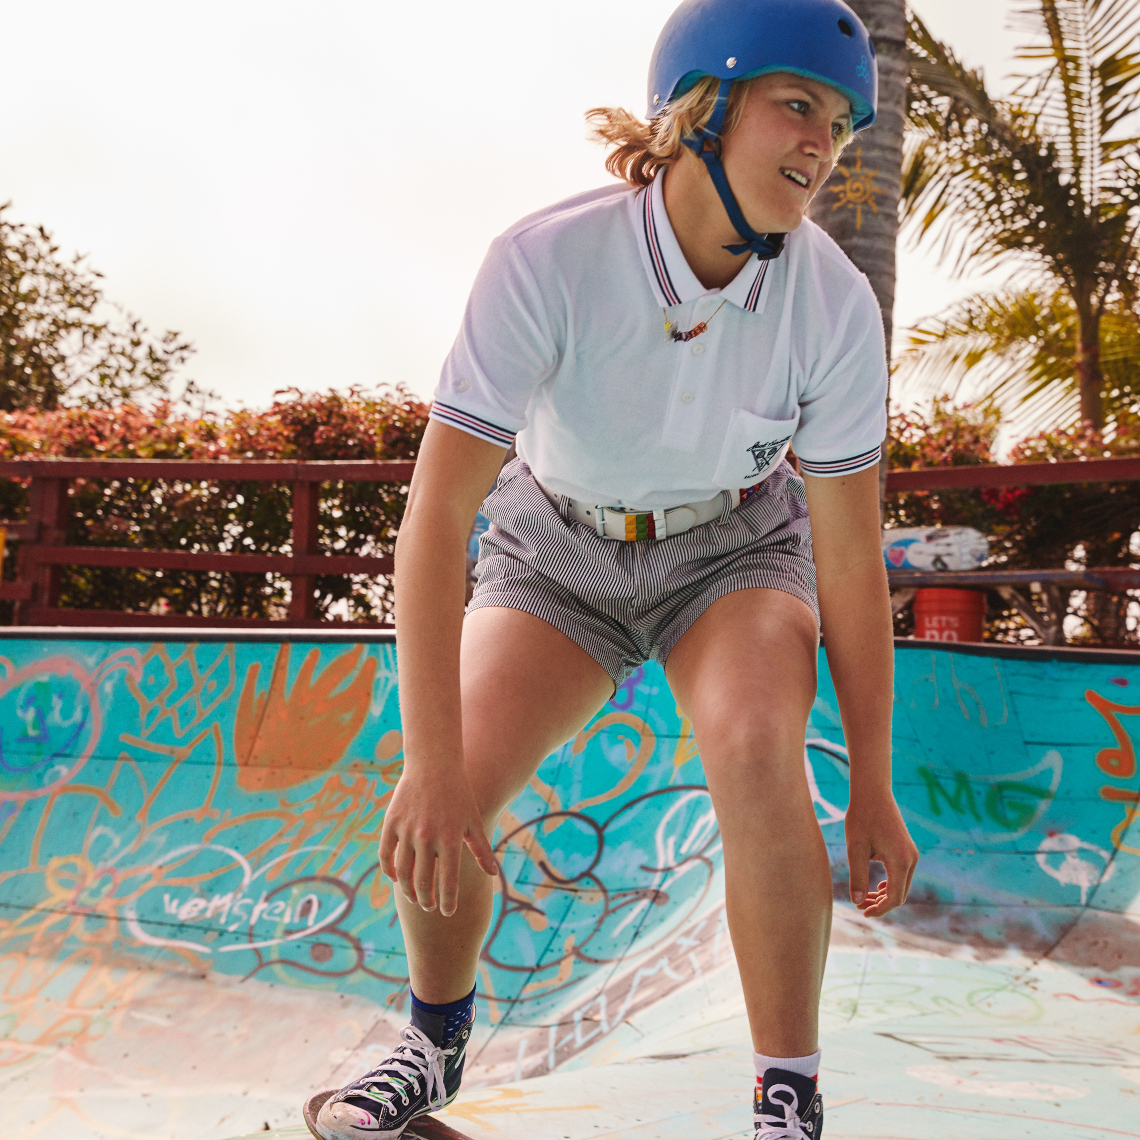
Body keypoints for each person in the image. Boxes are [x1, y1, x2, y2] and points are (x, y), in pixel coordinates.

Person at [310, 1, 919, 1137]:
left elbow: (846, 556)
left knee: (756, 746)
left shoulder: (835, 303)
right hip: (555, 549)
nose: (822, 144)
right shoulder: (548, 259)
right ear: (702, 109)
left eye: (840, 125)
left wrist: (875, 784)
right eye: (798, 105)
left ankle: (787, 1096)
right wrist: (430, 763)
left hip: (735, 550)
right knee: (447, 786)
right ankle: (432, 1040)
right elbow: (437, 513)